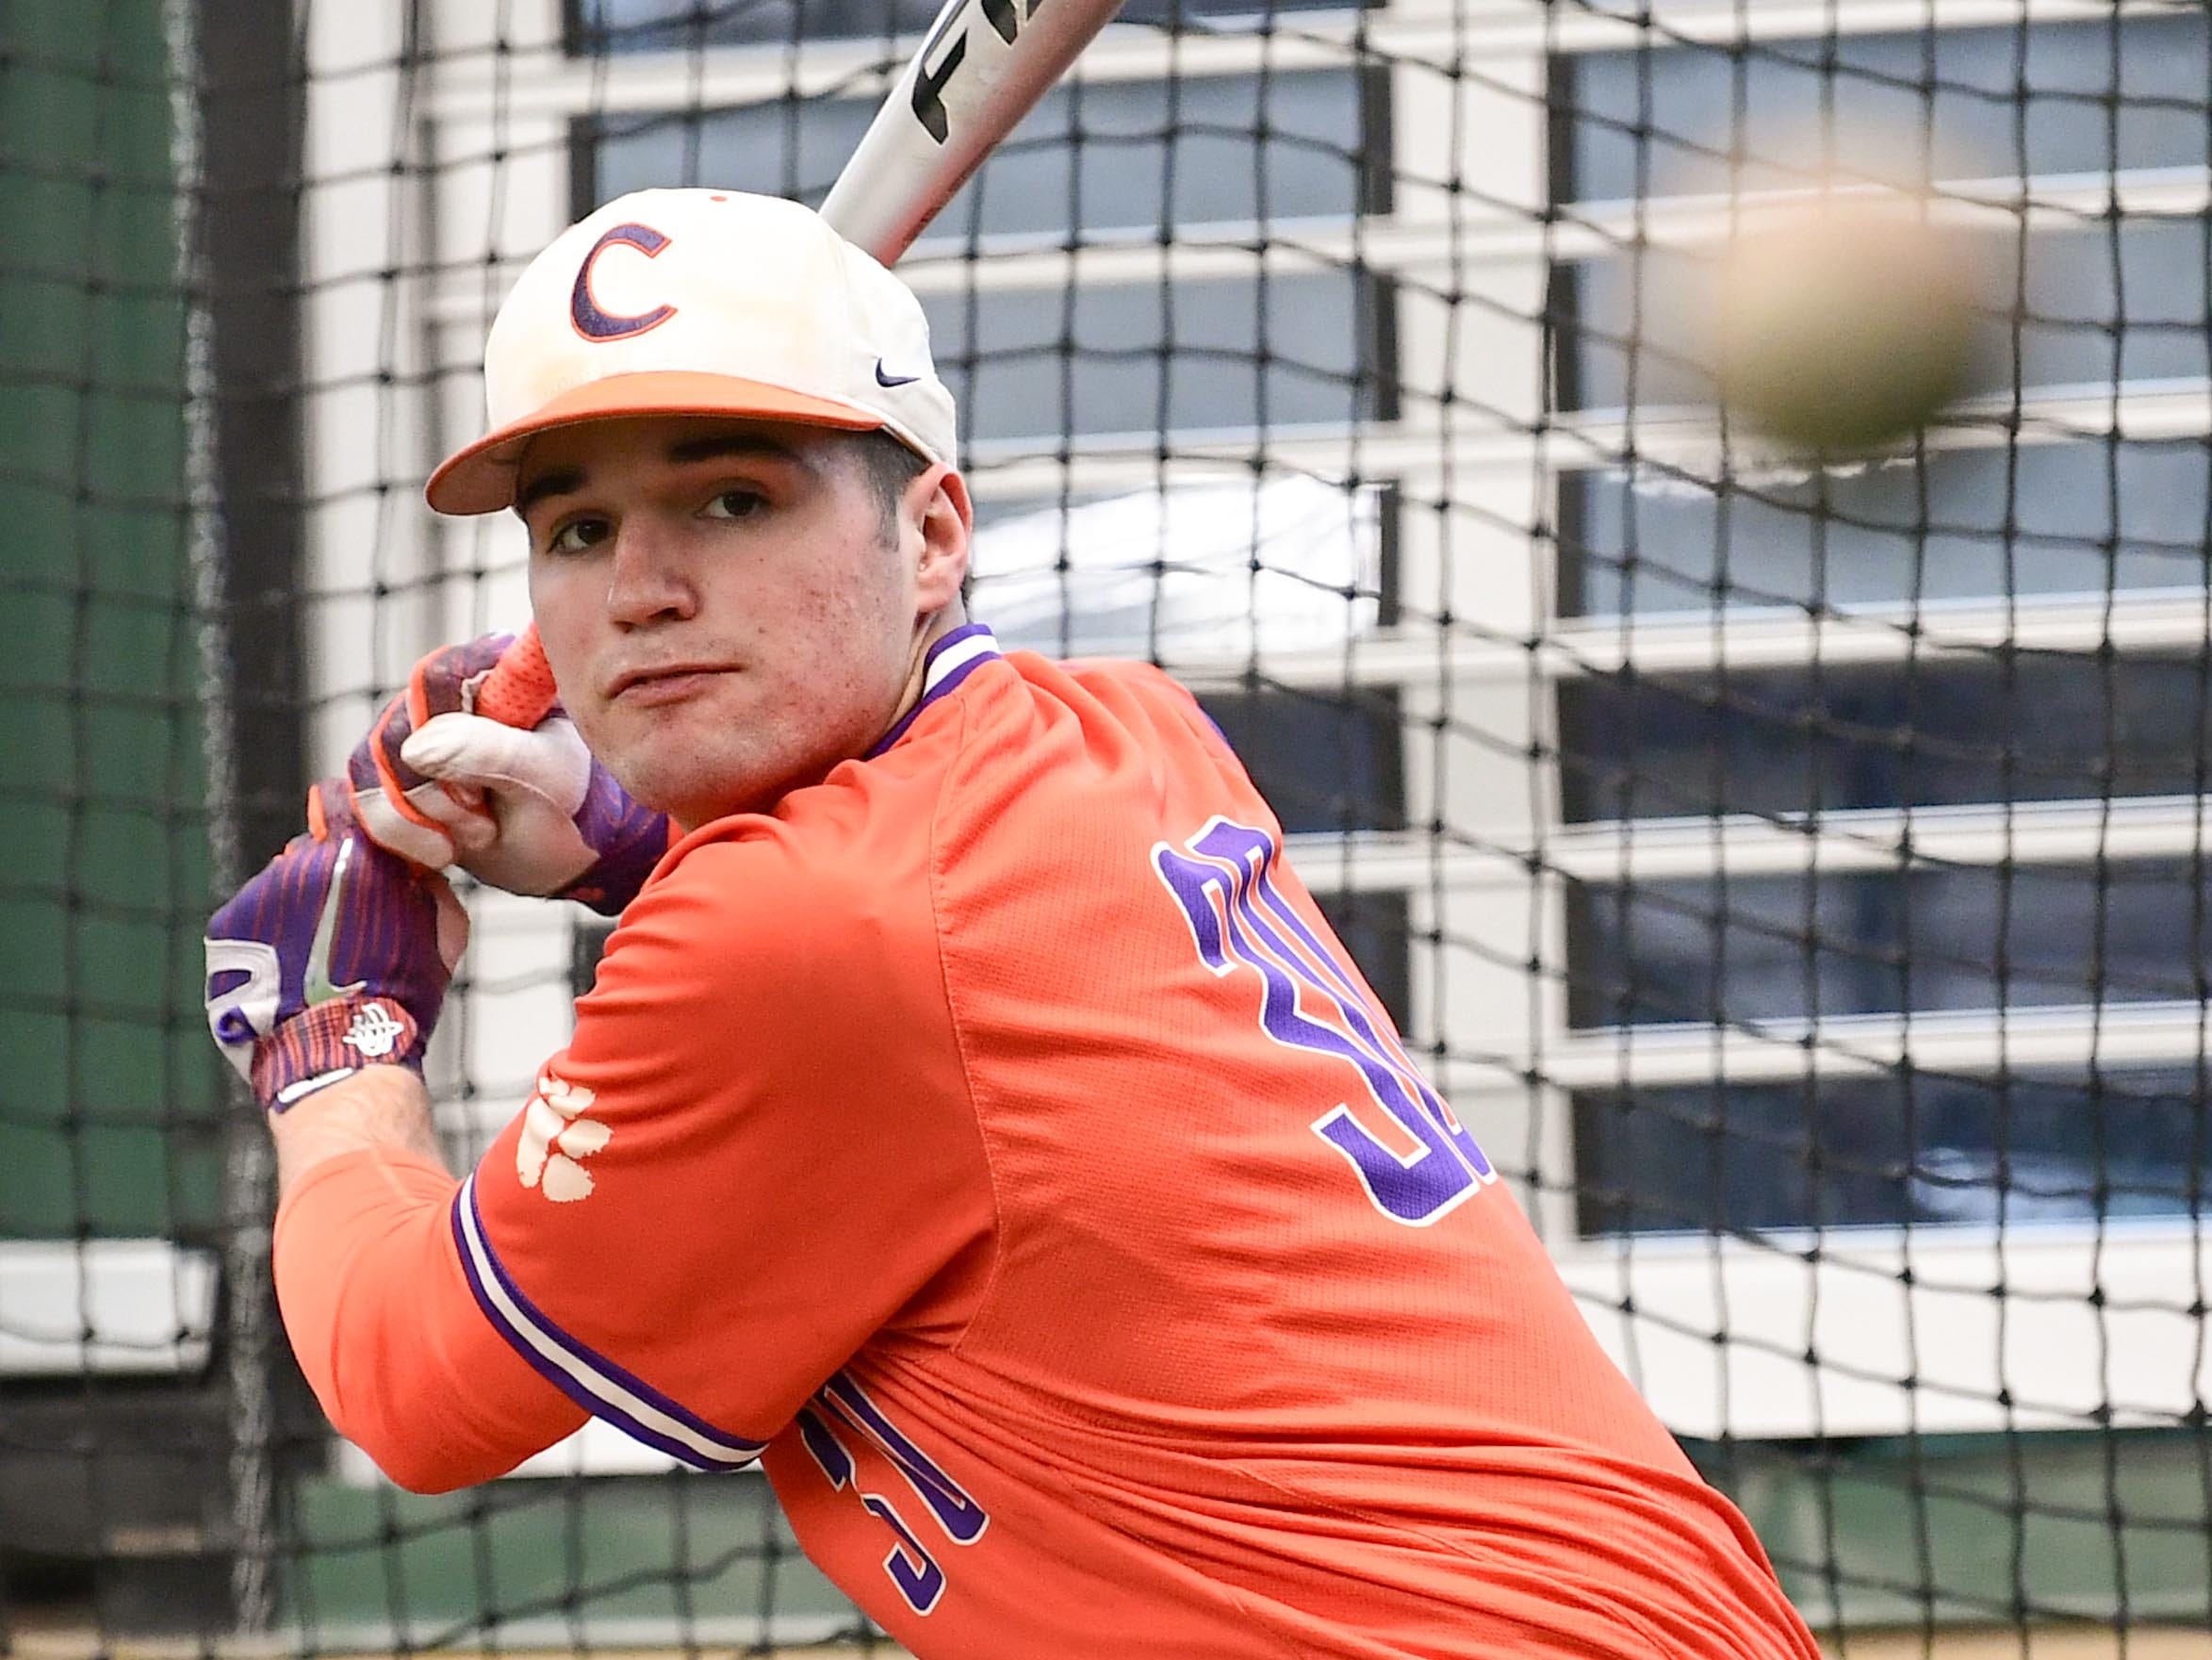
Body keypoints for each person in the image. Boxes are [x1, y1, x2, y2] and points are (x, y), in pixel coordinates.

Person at [205, 188, 1821, 1660]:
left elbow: (417, 1388)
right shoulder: (1117, 729)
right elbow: (923, 1000)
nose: (638, 589)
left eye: (731, 502)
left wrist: (336, 1038)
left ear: (931, 536)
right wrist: (623, 838)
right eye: (578, 529)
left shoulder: (797, 934)